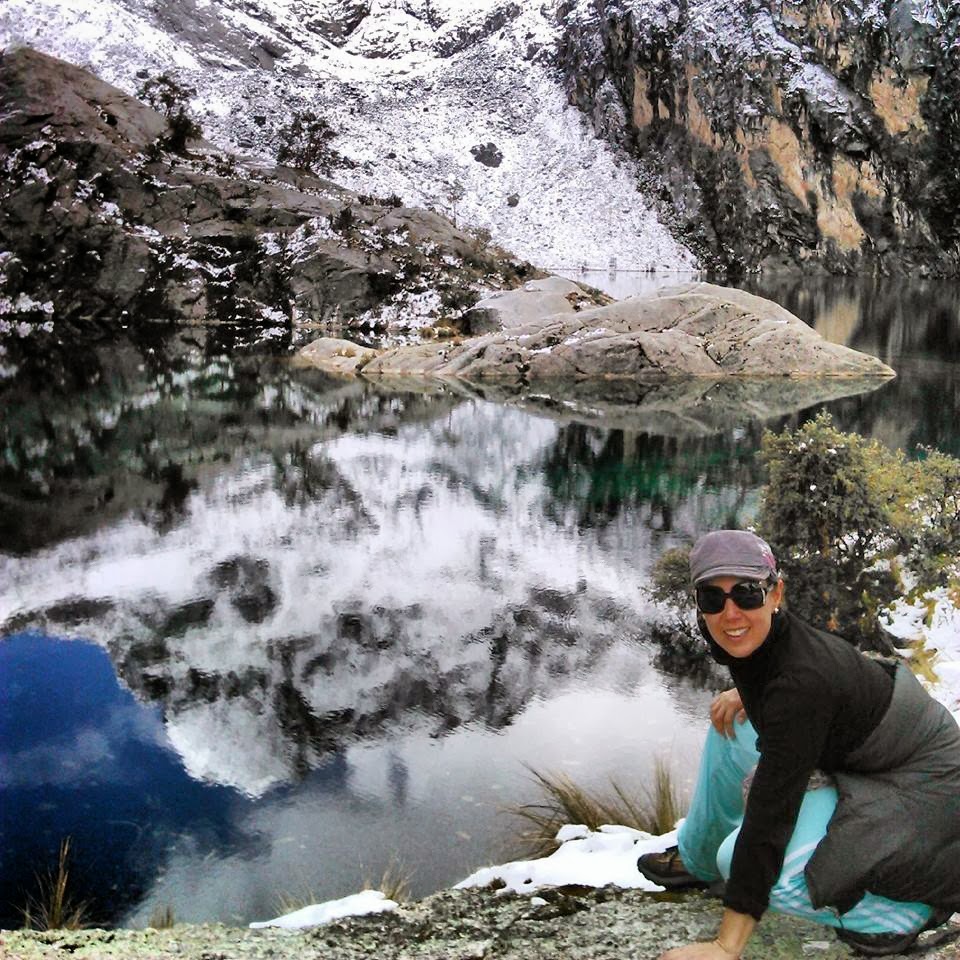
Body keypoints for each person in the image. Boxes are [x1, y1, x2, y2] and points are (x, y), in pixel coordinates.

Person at [638, 530, 960, 959]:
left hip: (920, 781)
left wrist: (726, 945)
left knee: (740, 862)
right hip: (860, 749)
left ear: (775, 594)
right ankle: (696, 861)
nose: (730, 614)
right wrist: (750, 697)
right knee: (729, 728)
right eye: (713, 598)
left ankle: (897, 916)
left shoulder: (799, 685)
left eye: (748, 594)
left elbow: (772, 814)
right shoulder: (761, 641)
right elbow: (792, 679)